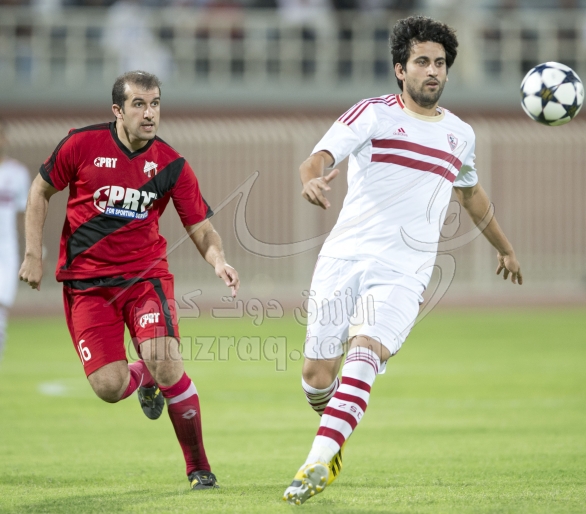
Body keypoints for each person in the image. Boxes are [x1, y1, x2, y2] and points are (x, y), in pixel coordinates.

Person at [282, 15, 522, 505]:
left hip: (404, 269)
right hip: (345, 257)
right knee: (316, 377)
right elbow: (318, 158)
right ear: (400, 69)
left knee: (366, 349)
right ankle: (333, 422)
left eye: (440, 63)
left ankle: (317, 462)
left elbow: (471, 195)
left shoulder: (460, 135)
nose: (432, 71)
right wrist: (311, 179)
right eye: (422, 62)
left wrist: (504, 246)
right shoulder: (372, 114)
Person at [18, 70, 240, 490]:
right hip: (87, 285)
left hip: (145, 279)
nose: (149, 113)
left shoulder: (172, 164)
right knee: (109, 386)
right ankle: (144, 376)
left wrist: (219, 260)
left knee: (167, 362)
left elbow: (200, 227)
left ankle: (199, 469)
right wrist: (33, 253)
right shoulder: (81, 144)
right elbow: (39, 190)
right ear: (118, 110)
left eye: (155, 103)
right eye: (139, 104)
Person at [0, 119, 31, 362]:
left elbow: (24, 214)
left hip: (6, 251)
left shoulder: (17, 173)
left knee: (1, 310)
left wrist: (35, 248)